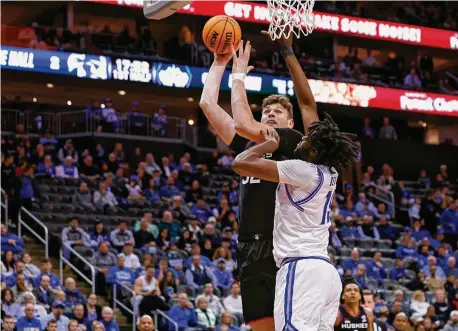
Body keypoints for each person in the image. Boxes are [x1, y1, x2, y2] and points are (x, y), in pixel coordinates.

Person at [200, 31, 318, 331]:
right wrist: (220, 62)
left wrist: (238, 75)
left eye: (277, 112)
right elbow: (207, 105)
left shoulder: (294, 142)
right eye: (266, 111)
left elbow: (242, 122)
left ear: (289, 123)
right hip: (248, 247)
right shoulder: (249, 146)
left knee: (289, 323)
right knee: (260, 326)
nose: (270, 114)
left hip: (281, 246)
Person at [232, 111, 359, 331]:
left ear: (315, 151)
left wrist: (268, 145)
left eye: (306, 140)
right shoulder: (330, 173)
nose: (300, 140)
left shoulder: (302, 170)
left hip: (300, 268)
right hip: (326, 273)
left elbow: (240, 163)